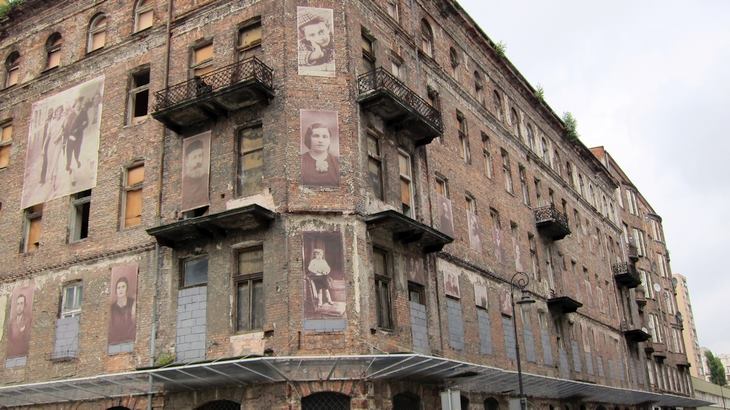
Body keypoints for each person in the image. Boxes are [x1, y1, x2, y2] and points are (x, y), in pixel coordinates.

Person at [301, 122, 339, 186]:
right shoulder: (299, 161)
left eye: (325, 137)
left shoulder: (338, 162)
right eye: (316, 136)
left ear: (329, 140)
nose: (320, 140)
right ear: (309, 139)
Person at [62, 97, 89, 172]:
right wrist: (67, 136)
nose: (78, 106)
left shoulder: (83, 113)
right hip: (71, 135)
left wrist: (79, 129)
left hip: (78, 135)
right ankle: (68, 165)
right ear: (75, 105)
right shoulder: (71, 114)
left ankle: (77, 162)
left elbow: (86, 123)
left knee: (77, 149)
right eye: (77, 104)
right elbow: (67, 126)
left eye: (79, 104)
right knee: (69, 150)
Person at [182, 138, 209, 210]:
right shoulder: (184, 184)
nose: (198, 161)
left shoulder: (206, 178)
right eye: (194, 157)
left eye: (200, 156)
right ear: (187, 161)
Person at [108, 276, 136, 345]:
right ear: (116, 290)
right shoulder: (112, 308)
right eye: (118, 288)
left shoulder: (132, 303)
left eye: (123, 287)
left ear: (127, 289)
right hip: (115, 341)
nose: (121, 290)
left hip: (130, 340)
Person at [7, 293, 32, 358]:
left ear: (24, 305)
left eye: (21, 303)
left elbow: (27, 339)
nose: (19, 306)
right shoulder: (12, 322)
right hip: (12, 353)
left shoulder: (27, 320)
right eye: (18, 304)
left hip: (22, 354)